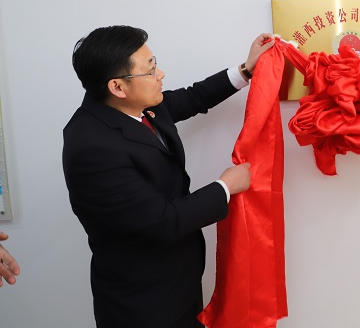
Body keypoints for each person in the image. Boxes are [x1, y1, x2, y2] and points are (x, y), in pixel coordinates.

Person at [62, 26, 274, 328]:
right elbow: (162, 221)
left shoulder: (134, 105)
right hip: (142, 303)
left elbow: (192, 98)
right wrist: (225, 187)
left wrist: (246, 69)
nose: (160, 74)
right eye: (150, 70)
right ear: (117, 87)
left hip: (180, 284)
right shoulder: (91, 147)